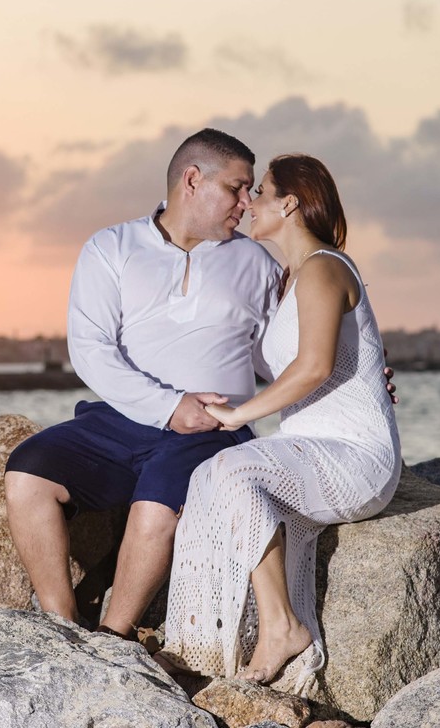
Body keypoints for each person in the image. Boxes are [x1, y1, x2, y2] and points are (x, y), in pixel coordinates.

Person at [4, 128, 278, 637]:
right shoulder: (111, 247)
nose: (247, 202)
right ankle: (61, 626)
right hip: (121, 421)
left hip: (215, 431)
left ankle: (113, 640)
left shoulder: (257, 263)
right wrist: (169, 407)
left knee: (155, 509)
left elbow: (280, 360)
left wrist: (355, 375)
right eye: (238, 188)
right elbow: (90, 351)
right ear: (192, 180)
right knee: (27, 474)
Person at [157, 154, 402, 694]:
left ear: (289, 203)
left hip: (355, 455)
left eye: (260, 193)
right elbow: (304, 360)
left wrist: (237, 417)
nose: (247, 204)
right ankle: (218, 635)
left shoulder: (324, 266)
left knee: (233, 471)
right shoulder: (291, 277)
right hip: (313, 446)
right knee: (214, 477)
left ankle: (282, 628)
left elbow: (312, 367)